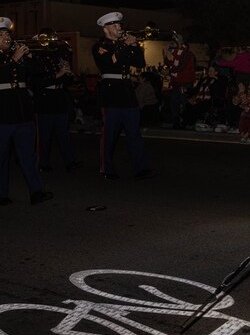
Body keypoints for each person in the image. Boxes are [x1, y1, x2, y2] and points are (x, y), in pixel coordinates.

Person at [92, 12, 154, 180]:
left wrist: (135, 46)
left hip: (127, 93)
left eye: (119, 24)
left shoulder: (123, 45)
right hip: (111, 94)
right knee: (109, 135)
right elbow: (112, 61)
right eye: (115, 25)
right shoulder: (100, 46)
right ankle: (106, 168)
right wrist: (126, 45)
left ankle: (140, 167)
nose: (119, 27)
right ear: (105, 28)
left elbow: (140, 63)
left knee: (134, 133)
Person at [0, 17, 53, 205]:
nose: (6, 37)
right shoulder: (10, 58)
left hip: (23, 112)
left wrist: (30, 57)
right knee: (1, 157)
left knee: (28, 155)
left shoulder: (18, 56)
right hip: (2, 114)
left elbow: (41, 72)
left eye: (7, 33)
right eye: (1, 34)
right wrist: (14, 59)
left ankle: (36, 192)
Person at [31, 37, 82, 173]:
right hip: (45, 100)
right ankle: (43, 163)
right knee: (44, 136)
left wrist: (69, 73)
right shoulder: (35, 61)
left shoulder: (58, 59)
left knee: (63, 134)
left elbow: (66, 82)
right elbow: (36, 83)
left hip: (59, 98)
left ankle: (69, 161)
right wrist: (57, 74)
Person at [162, 33, 196, 129]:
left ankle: (185, 121)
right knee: (175, 102)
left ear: (179, 42)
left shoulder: (186, 53)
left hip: (185, 82)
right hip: (177, 82)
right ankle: (176, 121)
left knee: (185, 102)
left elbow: (181, 66)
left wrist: (169, 71)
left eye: (173, 42)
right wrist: (165, 58)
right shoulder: (177, 53)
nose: (171, 44)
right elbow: (173, 65)